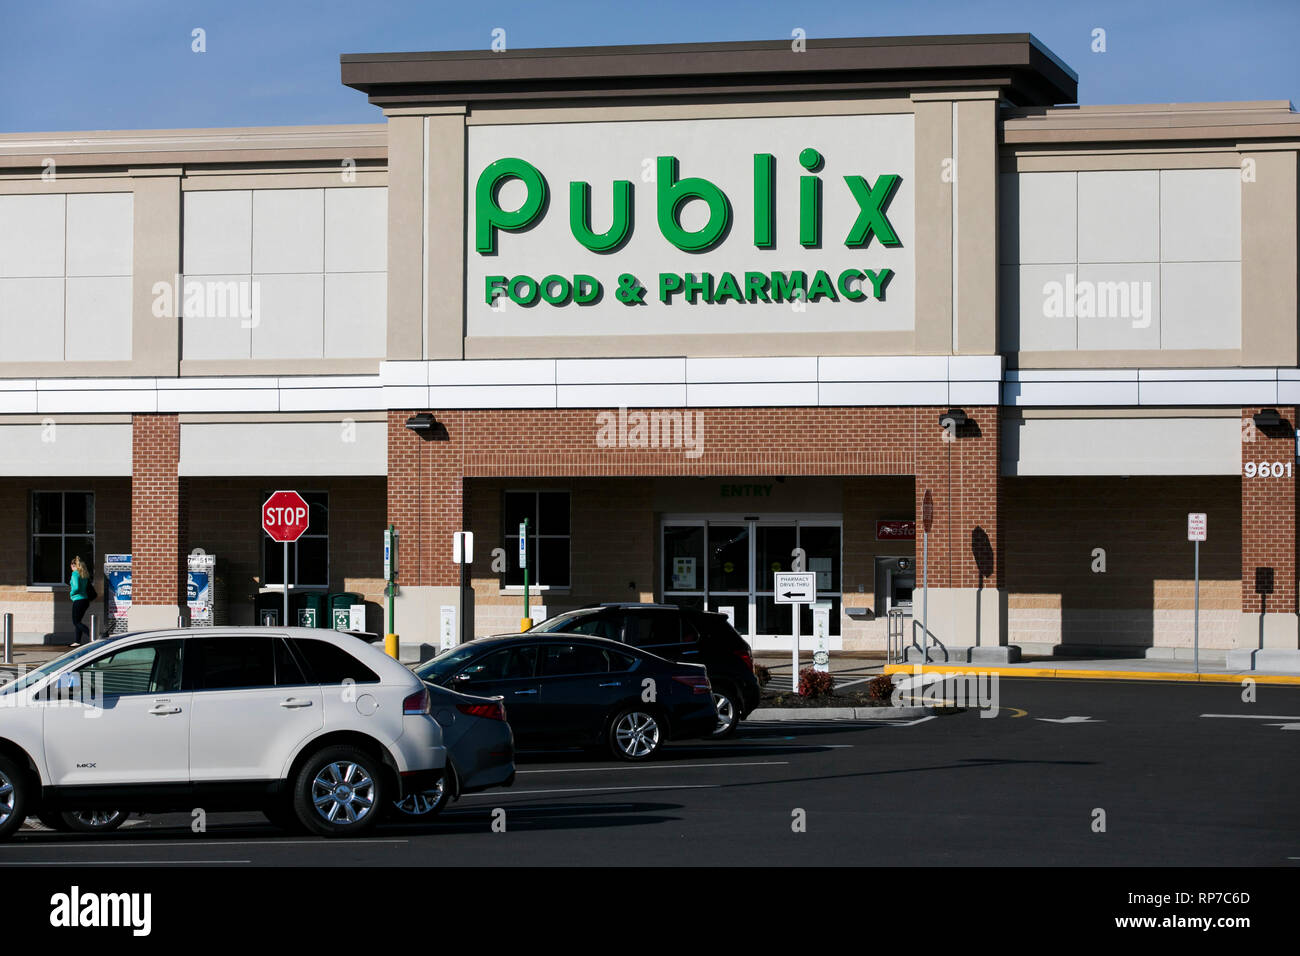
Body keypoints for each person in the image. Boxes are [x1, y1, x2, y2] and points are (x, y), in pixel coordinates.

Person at [68, 555, 92, 646]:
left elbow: (76, 587)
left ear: (73, 565)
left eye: (71, 565)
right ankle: (77, 641)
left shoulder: (75, 573)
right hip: (85, 600)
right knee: (78, 621)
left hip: (78, 600)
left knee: (76, 622)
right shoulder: (84, 574)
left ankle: (93, 636)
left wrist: (71, 594)